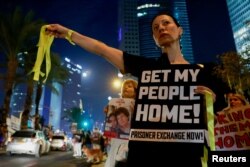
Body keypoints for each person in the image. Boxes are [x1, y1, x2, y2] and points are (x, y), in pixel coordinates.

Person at [46, 11, 216, 167]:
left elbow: (218, 125)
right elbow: (102, 49)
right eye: (156, 27)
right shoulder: (145, 67)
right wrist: (68, 33)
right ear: (155, 38)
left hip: (186, 157)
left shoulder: (201, 73)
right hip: (144, 157)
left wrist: (210, 104)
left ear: (180, 30)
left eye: (166, 23)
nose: (161, 28)